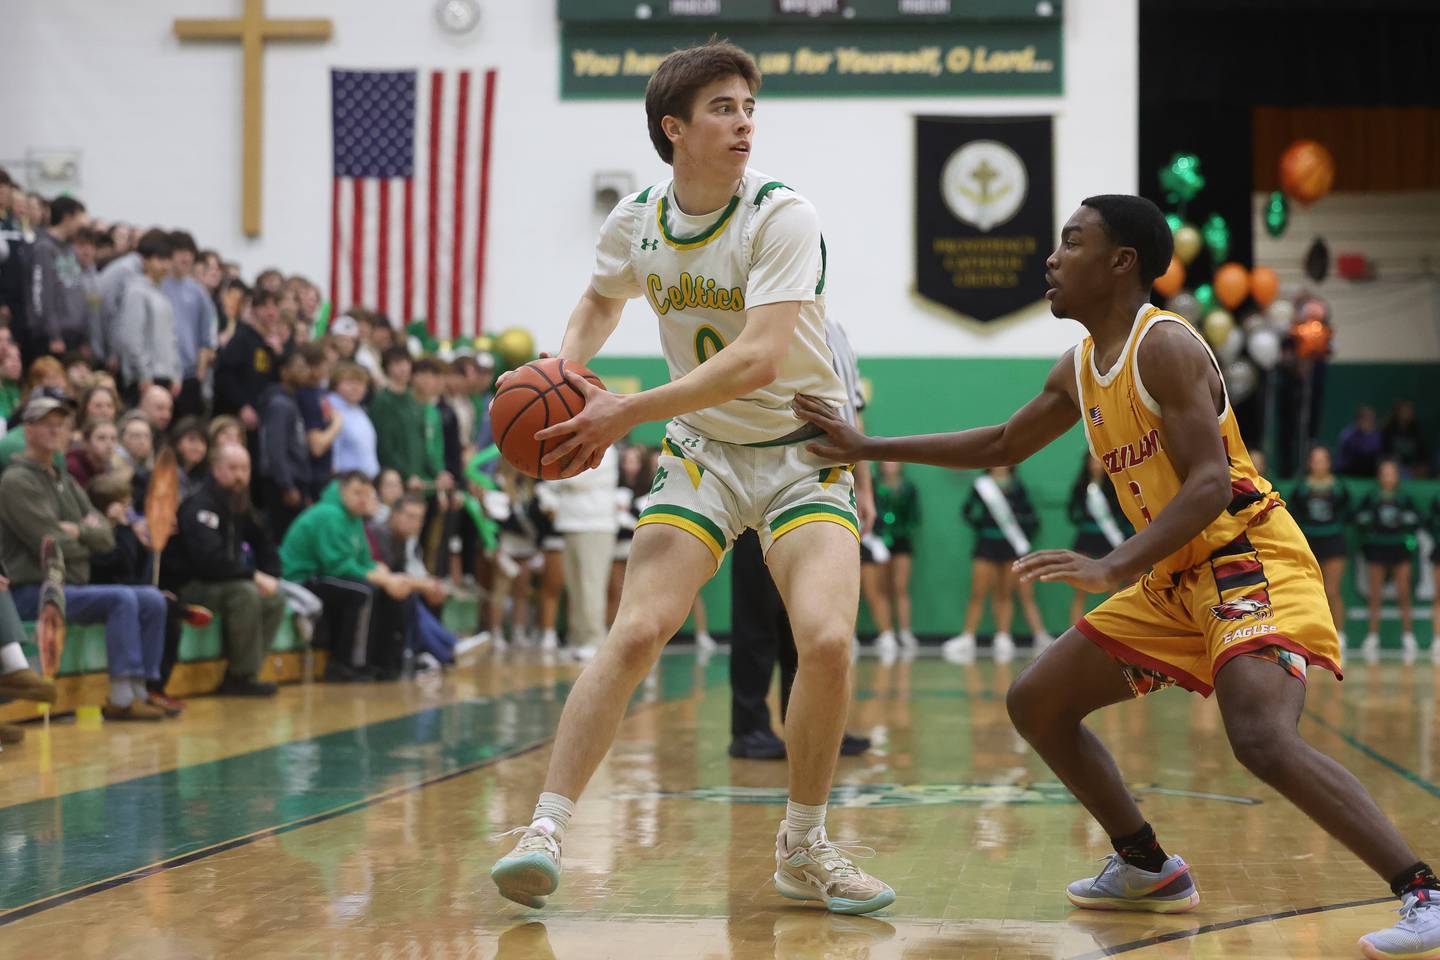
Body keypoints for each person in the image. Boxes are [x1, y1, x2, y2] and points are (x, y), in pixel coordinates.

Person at [794, 193, 1439, 956]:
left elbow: (1208, 483)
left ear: (1121, 262)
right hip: (1173, 574)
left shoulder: (1163, 345)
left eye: (1071, 243)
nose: (1052, 258)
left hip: (1245, 558)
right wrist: (866, 447)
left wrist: (1112, 564)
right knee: (1037, 701)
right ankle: (1146, 865)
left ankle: (1422, 891)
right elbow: (1002, 439)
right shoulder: (1079, 366)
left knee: (1260, 737)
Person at [490, 41, 894, 915]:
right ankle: (544, 830)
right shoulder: (635, 221)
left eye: (748, 105)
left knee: (824, 639)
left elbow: (757, 359)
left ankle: (805, 846)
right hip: (703, 453)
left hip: (802, 451)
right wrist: (560, 381)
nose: (744, 120)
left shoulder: (781, 216)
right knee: (638, 631)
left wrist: (622, 409)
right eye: (722, 107)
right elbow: (604, 297)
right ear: (673, 129)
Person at [0, 388, 170, 720]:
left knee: (152, 598)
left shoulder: (63, 479)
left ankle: (144, 688)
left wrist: (81, 531)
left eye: (61, 423)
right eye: (46, 423)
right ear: (28, 430)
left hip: (70, 588)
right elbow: (48, 542)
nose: (55, 430)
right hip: (31, 590)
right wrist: (81, 534)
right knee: (122, 598)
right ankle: (121, 697)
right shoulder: (16, 481)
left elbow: (106, 537)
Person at [164, 444, 282, 696]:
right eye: (233, 468)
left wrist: (272, 575)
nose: (240, 475)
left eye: (245, 468)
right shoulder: (200, 506)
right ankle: (241, 678)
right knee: (245, 593)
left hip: (221, 583)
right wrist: (254, 575)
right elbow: (210, 562)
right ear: (216, 470)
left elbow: (266, 543)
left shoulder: (240, 505)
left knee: (274, 598)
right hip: (190, 586)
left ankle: (246, 671)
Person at [279, 471, 412, 682]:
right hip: (301, 580)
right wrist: (384, 579)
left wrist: (387, 576)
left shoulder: (354, 518)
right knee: (363, 593)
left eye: (368, 495)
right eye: (357, 493)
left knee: (385, 591)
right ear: (342, 491)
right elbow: (337, 566)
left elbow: (364, 561)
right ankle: (346, 664)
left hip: (326, 576)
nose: (363, 499)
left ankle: (383, 662)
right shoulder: (329, 514)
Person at [945, 465, 1043, 663]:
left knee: (1005, 592)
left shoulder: (1017, 486)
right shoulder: (981, 485)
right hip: (986, 544)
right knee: (978, 591)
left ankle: (1003, 635)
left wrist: (1022, 529)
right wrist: (982, 523)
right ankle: (968, 636)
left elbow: (1031, 516)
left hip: (1010, 544)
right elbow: (967, 511)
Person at [541, 446, 620, 661]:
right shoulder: (572, 447)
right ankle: (578, 639)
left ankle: (595, 640)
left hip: (596, 525)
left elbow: (579, 480)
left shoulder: (607, 449)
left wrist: (554, 477)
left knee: (591, 585)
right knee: (574, 586)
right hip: (570, 523)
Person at [1354, 459, 1420, 663]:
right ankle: (1372, 637)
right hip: (1377, 548)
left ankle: (1408, 637)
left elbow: (1417, 518)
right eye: (1384, 473)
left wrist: (1408, 529)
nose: (1388, 477)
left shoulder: (1404, 497)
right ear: (1379, 476)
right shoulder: (1371, 497)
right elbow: (1358, 518)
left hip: (1400, 548)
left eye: (1392, 473)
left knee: (1403, 592)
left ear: (1397, 476)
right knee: (1375, 594)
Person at [1289, 445, 1351, 647]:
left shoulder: (1339, 487)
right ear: (1309, 463)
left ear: (1329, 463)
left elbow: (1346, 512)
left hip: (1333, 541)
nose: (1319, 464)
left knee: (1332, 591)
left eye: (1323, 460)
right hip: (1309, 542)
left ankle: (1339, 635)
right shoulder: (1301, 489)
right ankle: (1310, 637)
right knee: (1308, 592)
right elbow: (1293, 515)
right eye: (1315, 460)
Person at [115, 229, 181, 404]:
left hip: (164, 375)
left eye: (168, 259)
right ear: (144, 260)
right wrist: (143, 373)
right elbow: (131, 337)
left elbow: (171, 338)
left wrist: (175, 374)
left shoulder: (162, 294)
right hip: (144, 379)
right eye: (160, 259)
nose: (165, 265)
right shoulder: (135, 291)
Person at [1065, 453, 1131, 627]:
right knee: (1080, 588)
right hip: (1086, 539)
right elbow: (1072, 510)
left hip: (1108, 539)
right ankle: (1074, 628)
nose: (1095, 465)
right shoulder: (1081, 486)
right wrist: (1083, 519)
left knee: (1112, 586)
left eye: (1098, 462)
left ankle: (1118, 627)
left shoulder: (1114, 487)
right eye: (1092, 462)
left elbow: (1122, 512)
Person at [161, 230, 217, 419]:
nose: (186, 257)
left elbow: (206, 337)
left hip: (189, 373)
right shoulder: (158, 286)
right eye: (180, 251)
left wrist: (199, 374)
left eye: (189, 252)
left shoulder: (198, 292)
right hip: (162, 370)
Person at [258, 349, 313, 539]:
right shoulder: (280, 404)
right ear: (284, 371)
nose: (305, 371)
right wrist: (287, 485)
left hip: (294, 482)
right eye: (299, 367)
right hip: (281, 486)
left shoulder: (291, 401)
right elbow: (275, 448)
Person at [868, 461, 920, 658]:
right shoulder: (874, 485)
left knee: (900, 586)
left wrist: (899, 530)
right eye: (886, 462)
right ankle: (886, 632)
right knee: (881, 587)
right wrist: (880, 533)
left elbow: (915, 516)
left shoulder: (908, 488)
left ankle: (905, 632)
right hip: (878, 540)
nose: (890, 465)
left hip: (901, 541)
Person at [28, 195, 90, 356]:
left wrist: (84, 337)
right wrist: (53, 334)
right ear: (67, 217)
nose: (82, 224)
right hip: (55, 337)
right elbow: (43, 293)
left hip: (74, 334)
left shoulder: (69, 249)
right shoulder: (44, 248)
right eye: (79, 218)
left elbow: (77, 291)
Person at [214, 287, 282, 430]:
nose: (271, 312)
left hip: (260, 415)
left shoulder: (272, 345)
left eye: (275, 306)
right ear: (254, 310)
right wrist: (242, 406)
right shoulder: (243, 338)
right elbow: (223, 374)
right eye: (265, 306)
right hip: (235, 416)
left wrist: (279, 356)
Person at [328, 361, 379, 477]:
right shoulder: (330, 407)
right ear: (335, 384)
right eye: (349, 382)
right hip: (345, 481)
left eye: (361, 384)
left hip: (366, 481)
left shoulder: (358, 410)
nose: (356, 388)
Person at [66, 418, 118, 489]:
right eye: (101, 438)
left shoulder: (107, 467)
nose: (109, 445)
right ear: (85, 443)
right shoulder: (72, 467)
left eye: (113, 438)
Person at [1381, 399, 1427, 478]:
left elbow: (1422, 453)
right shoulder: (1388, 430)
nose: (1408, 413)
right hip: (1395, 466)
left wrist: (1419, 466)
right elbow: (1385, 453)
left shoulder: (1416, 430)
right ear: (1398, 413)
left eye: (1410, 411)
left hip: (1412, 467)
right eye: (1405, 411)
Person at [1336, 405, 1383, 478]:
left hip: (1369, 472)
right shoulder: (1348, 433)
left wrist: (1367, 434)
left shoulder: (1376, 435)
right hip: (1347, 469)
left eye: (1370, 419)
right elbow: (1352, 450)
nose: (1367, 422)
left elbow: (1374, 451)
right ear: (1357, 420)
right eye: (1364, 419)